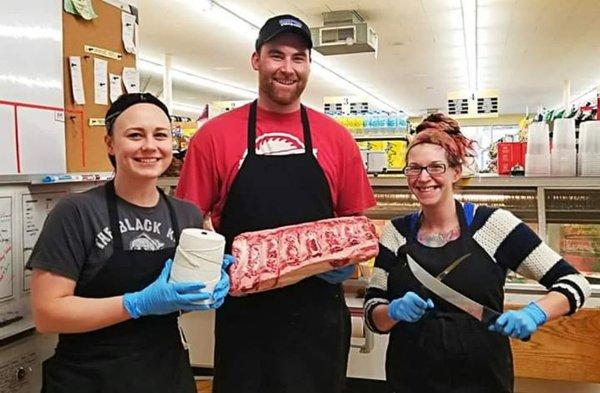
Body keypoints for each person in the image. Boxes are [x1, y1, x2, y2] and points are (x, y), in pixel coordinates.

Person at [176, 14, 376, 393]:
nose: (287, 68)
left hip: (317, 316)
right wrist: (209, 265)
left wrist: (346, 264)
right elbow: (188, 221)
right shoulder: (214, 136)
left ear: (309, 65)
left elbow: (355, 223)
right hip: (246, 318)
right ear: (256, 60)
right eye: (276, 55)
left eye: (298, 58)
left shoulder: (336, 139)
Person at [363, 113, 591, 393]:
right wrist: (394, 311)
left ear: (455, 172)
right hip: (410, 379)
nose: (424, 178)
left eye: (436, 167)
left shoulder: (494, 225)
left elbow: (575, 283)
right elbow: (373, 314)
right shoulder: (394, 234)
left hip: (482, 380)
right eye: (414, 169)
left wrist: (535, 314)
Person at [27, 93, 233, 393]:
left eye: (160, 135)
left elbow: (175, 300)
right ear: (110, 143)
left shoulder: (186, 214)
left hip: (166, 373)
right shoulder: (76, 213)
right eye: (135, 135)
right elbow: (48, 314)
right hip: (89, 377)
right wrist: (137, 303)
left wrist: (207, 289)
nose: (149, 146)